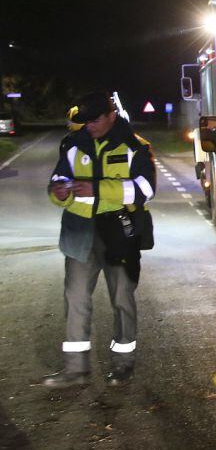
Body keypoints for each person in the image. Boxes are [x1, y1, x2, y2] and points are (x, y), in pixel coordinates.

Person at [43, 92, 156, 388]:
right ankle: (75, 369)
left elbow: (145, 190)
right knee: (76, 298)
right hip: (80, 233)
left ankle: (123, 364)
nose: (88, 126)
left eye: (94, 120)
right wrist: (59, 192)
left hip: (119, 232)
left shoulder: (135, 146)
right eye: (84, 121)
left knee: (122, 298)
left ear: (111, 116)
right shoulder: (71, 145)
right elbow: (57, 180)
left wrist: (97, 189)